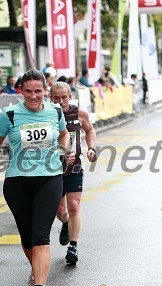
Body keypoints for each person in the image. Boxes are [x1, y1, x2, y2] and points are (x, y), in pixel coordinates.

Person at [0, 69, 73, 286]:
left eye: (38, 91)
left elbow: (65, 133)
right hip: (17, 183)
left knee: (41, 236)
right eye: (28, 91)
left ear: (45, 90)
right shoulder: (9, 114)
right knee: (27, 239)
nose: (33, 96)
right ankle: (36, 273)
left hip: (49, 178)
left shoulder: (55, 111)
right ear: (20, 91)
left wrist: (61, 149)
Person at [50, 82, 97, 265]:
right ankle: (65, 222)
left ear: (70, 96)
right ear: (50, 98)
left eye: (64, 97)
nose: (61, 101)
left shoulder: (79, 114)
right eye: (56, 98)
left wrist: (91, 148)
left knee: (74, 205)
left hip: (75, 167)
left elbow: (90, 130)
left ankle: (73, 246)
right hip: (53, 169)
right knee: (59, 210)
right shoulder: (46, 115)